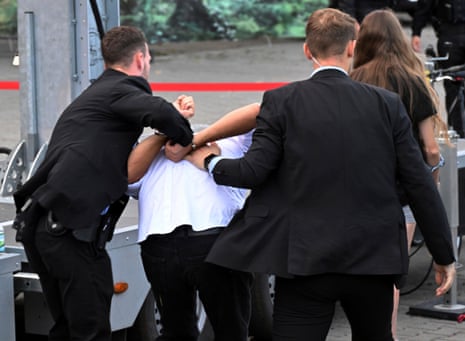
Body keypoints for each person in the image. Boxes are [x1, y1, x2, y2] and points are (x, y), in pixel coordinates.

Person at [185, 8, 456, 341]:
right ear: (351, 48)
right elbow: (419, 184)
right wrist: (444, 255)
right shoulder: (387, 104)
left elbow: (252, 171)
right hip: (373, 260)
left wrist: (209, 160)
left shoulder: (281, 101)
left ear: (306, 49)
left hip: (306, 261)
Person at [12, 26, 193, 341]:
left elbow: (129, 168)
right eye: (148, 57)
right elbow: (161, 114)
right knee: (91, 331)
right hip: (69, 233)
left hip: (44, 227)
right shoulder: (121, 90)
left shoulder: (98, 95)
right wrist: (182, 132)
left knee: (69, 330)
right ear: (140, 58)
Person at [350, 9, 447, 340]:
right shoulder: (412, 81)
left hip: (359, 189)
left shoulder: (354, 79)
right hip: (402, 195)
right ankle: (386, 334)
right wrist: (429, 183)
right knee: (390, 273)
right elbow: (431, 148)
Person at [126, 103, 259, 341]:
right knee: (232, 331)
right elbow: (258, 112)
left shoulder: (154, 157)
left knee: (176, 333)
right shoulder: (233, 145)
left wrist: (179, 134)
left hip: (160, 245)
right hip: (210, 241)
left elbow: (127, 176)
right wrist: (185, 137)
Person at [411, 0, 465, 137]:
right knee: (452, 85)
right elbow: (424, 6)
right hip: (449, 35)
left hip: (451, 36)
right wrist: (416, 32)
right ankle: (457, 133)